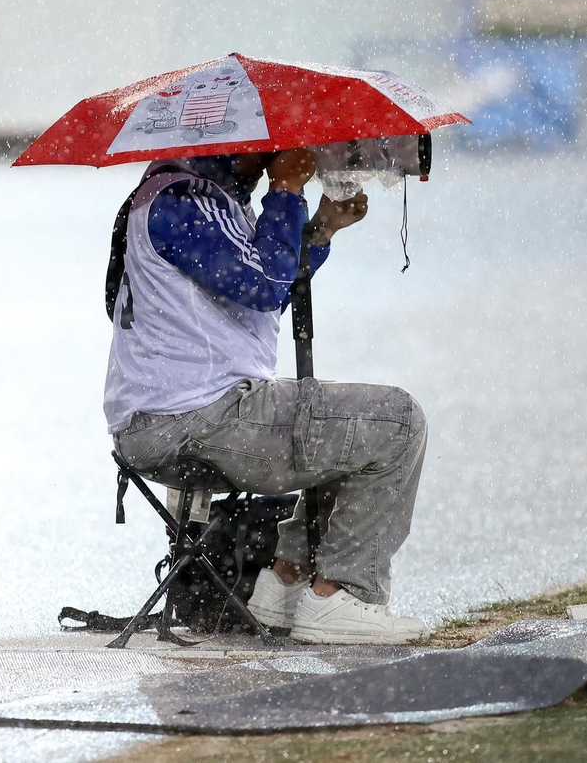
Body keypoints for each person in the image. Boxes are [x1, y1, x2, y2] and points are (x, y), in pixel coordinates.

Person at [105, 148, 429, 644]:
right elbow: (261, 284)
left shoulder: (194, 199)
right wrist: (285, 191)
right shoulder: (181, 202)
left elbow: (267, 284)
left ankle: (287, 581)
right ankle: (341, 595)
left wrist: (320, 228)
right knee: (399, 422)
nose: (269, 157)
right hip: (197, 417)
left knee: (345, 428)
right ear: (226, 141)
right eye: (260, 148)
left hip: (176, 415)